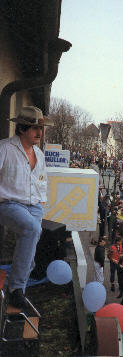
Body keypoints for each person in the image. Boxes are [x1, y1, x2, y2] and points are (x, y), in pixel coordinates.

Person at [0, 106, 53, 308]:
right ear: (22, 128)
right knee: (32, 230)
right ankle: (16, 289)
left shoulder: (39, 154)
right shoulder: (5, 148)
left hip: (34, 207)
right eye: (34, 128)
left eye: (40, 128)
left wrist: (39, 204)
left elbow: (41, 182)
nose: (39, 132)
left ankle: (17, 286)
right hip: (9, 204)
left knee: (30, 247)